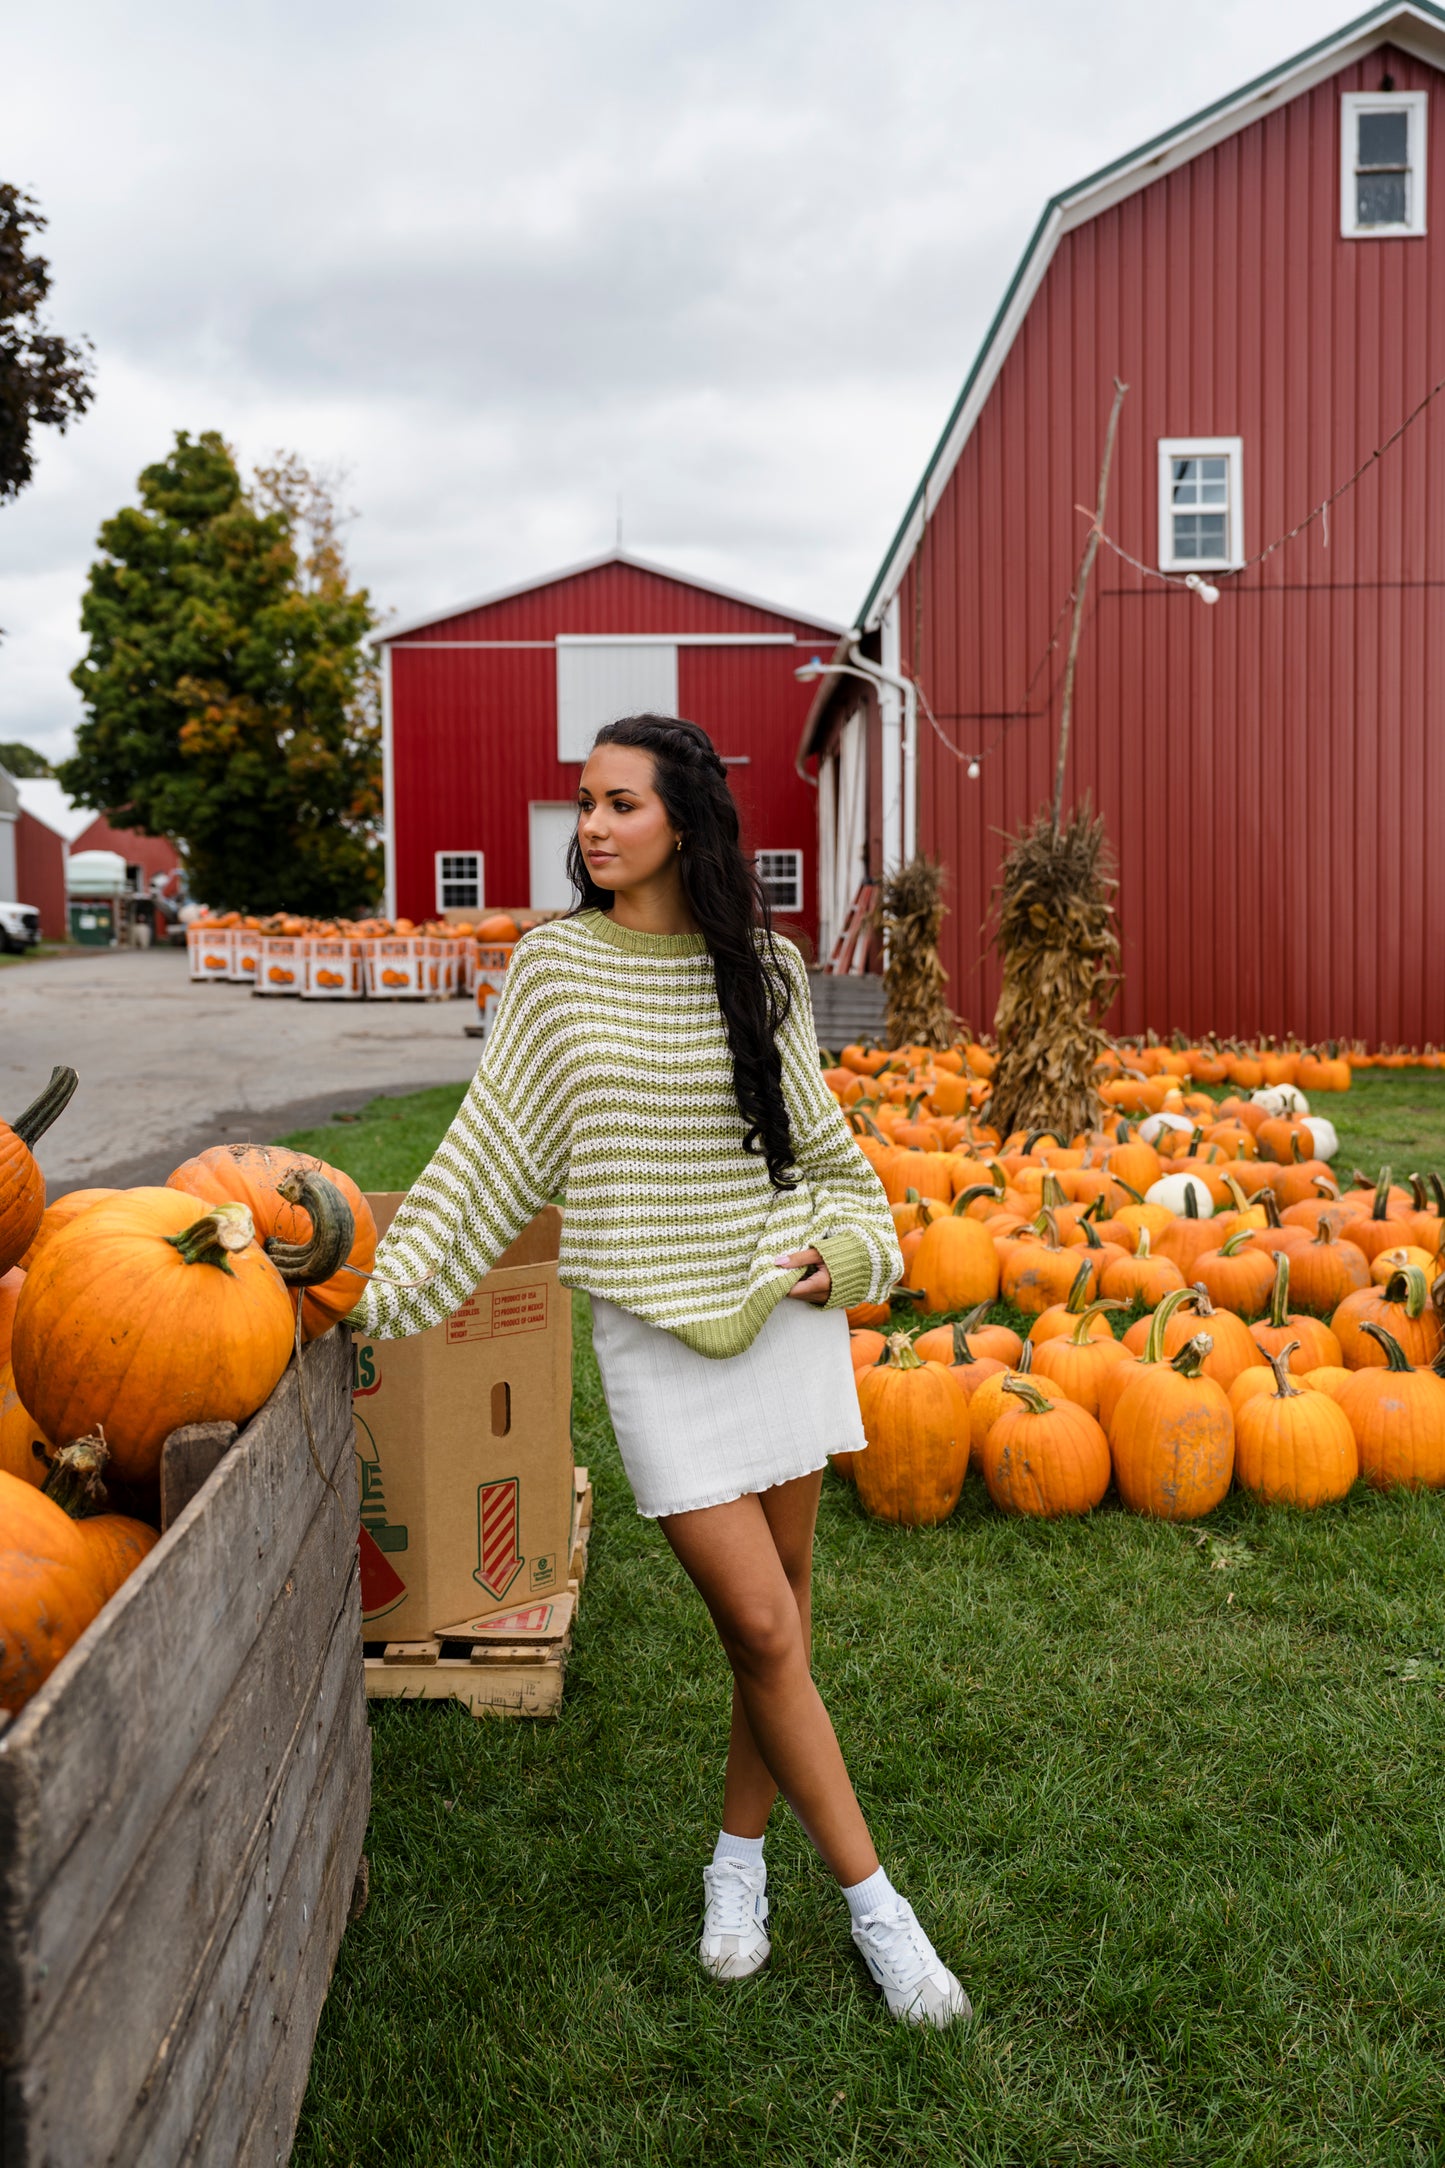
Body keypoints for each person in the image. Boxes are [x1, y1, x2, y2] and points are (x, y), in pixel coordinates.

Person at [348, 714, 970, 2028]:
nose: (591, 827)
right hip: (649, 1329)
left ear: (681, 818)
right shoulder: (555, 970)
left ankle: (737, 1864)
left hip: (776, 1312)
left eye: (617, 803)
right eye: (583, 803)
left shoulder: (770, 973)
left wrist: (849, 1256)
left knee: (781, 1623)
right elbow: (487, 1157)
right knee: (754, 1624)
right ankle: (878, 1909)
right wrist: (369, 1293)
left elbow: (835, 1172)